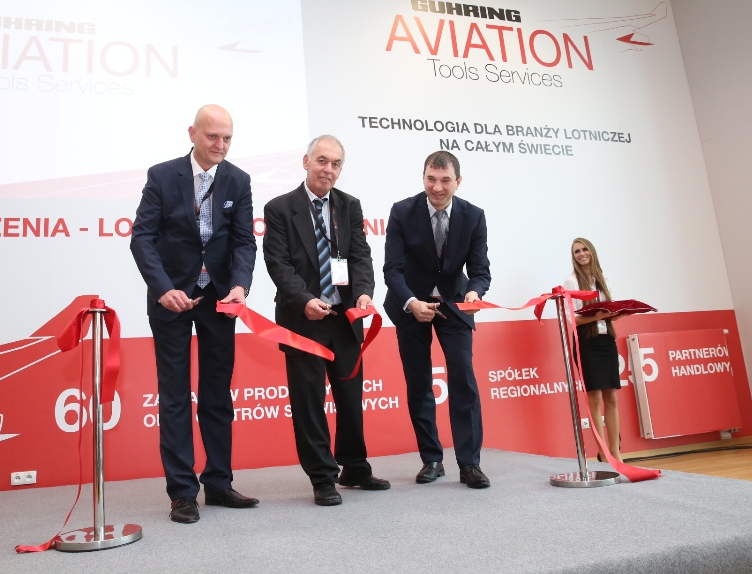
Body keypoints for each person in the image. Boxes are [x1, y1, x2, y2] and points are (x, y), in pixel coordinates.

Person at [130, 104, 259, 524]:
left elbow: (244, 241)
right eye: (212, 136)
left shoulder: (238, 180)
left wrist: (240, 285)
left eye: (227, 138)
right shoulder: (162, 176)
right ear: (193, 134)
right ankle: (182, 492)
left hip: (219, 301)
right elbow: (142, 238)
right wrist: (163, 288)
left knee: (217, 395)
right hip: (171, 299)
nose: (220, 145)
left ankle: (219, 483)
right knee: (174, 396)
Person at [262, 134, 389, 506]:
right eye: (321, 161)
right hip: (303, 320)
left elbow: (360, 256)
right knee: (309, 402)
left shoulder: (349, 206)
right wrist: (304, 300)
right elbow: (278, 264)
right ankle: (322, 477)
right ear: (306, 162)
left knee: (350, 399)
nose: (327, 169)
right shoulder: (280, 208)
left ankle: (355, 467)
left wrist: (363, 292)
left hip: (345, 318)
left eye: (335, 164)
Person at [383, 150, 492, 489]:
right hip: (410, 303)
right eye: (431, 179)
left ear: (458, 181)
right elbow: (392, 269)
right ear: (423, 178)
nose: (438, 187)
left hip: (455, 305)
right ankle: (431, 459)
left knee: (463, 378)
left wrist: (474, 293)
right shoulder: (402, 211)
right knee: (419, 382)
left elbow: (480, 270)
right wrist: (411, 302)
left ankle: (470, 464)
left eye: (445, 180)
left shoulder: (474, 216)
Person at [562, 237, 625, 463]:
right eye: (577, 251)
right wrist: (599, 316)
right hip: (586, 342)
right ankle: (604, 453)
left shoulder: (605, 280)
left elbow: (609, 312)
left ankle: (615, 452)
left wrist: (617, 314)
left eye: (584, 249)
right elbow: (572, 318)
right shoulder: (571, 281)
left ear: (592, 252)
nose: (581, 254)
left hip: (606, 340)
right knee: (595, 398)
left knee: (612, 397)